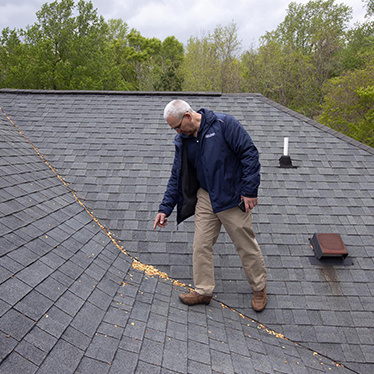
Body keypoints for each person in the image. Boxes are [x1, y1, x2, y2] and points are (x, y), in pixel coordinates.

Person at [153, 99, 267, 312]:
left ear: (188, 116)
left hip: (231, 197)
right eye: (173, 129)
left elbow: (249, 154)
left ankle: (259, 288)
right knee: (201, 245)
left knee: (245, 245)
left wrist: (250, 191)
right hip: (206, 197)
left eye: (177, 126)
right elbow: (177, 175)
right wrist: (165, 208)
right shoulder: (184, 140)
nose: (177, 132)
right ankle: (203, 291)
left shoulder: (224, 124)